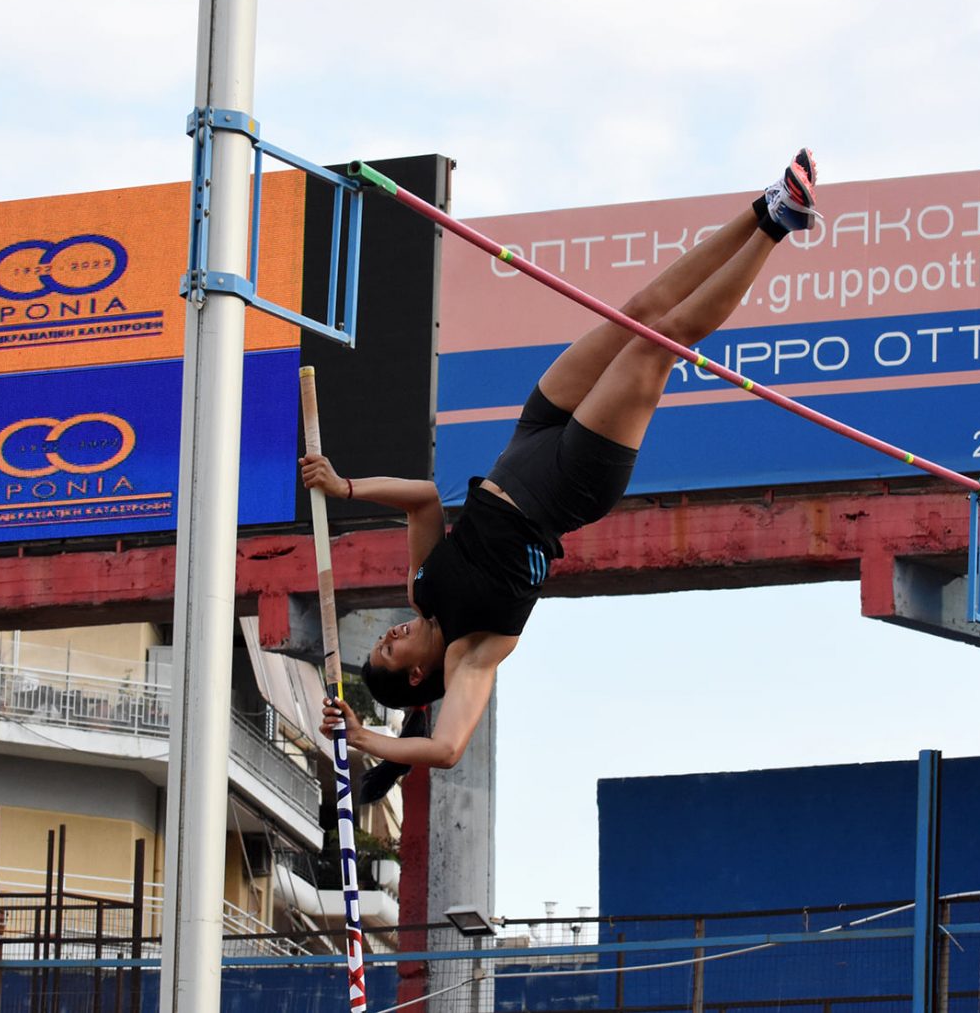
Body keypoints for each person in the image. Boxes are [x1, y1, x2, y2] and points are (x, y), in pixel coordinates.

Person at [301, 150, 822, 795]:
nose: (392, 633)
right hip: (571, 481)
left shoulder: (422, 589)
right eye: (390, 649)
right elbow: (447, 748)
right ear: (415, 676)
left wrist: (344, 486)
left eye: (382, 639)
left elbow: (424, 499)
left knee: (638, 311)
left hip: (531, 437)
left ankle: (762, 205)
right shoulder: (473, 656)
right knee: (660, 340)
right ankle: (779, 224)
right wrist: (365, 740)